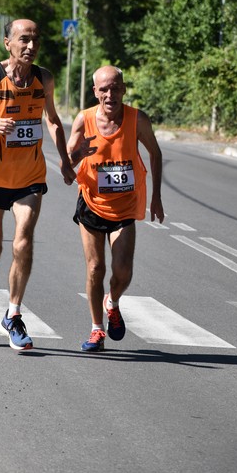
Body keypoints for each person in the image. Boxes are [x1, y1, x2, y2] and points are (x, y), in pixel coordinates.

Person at [0, 19, 76, 350]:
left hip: (30, 178)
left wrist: (64, 159)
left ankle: (14, 314)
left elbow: (52, 119)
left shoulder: (43, 78)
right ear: (8, 43)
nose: (31, 46)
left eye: (35, 40)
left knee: (23, 244)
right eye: (24, 40)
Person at [67, 65, 164, 352]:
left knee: (123, 270)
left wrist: (156, 197)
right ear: (95, 92)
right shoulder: (84, 120)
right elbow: (66, 163)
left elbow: (155, 154)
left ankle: (114, 300)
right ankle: (97, 330)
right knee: (95, 267)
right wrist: (77, 154)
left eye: (115, 87)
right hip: (92, 204)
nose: (110, 94)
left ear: (123, 89)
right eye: (104, 89)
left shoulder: (137, 119)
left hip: (124, 208)